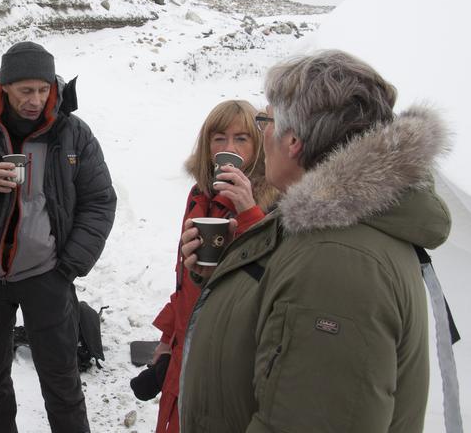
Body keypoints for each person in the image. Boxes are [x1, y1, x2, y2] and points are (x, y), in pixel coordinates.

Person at [179, 50, 452, 432]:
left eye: (265, 121)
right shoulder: (323, 229)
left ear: (293, 140)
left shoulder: (338, 259)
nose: (263, 133)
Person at [0, 41, 117, 433]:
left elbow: (99, 201)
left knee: (62, 383)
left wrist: (69, 266)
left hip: (48, 277)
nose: (36, 100)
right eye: (26, 90)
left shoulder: (72, 133)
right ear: (4, 86)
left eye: (43, 89)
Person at [145, 100, 276, 433]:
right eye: (219, 138)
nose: (228, 148)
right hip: (186, 349)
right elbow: (185, 281)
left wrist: (248, 211)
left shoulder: (275, 201)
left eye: (241, 139)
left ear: (258, 145)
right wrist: (166, 341)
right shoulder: (198, 195)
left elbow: (271, 277)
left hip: (228, 361)